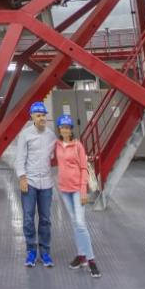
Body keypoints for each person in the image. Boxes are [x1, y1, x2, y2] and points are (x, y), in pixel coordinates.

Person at [55, 114, 101, 278]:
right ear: (59, 129)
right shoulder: (58, 145)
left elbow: (83, 168)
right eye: (62, 127)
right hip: (64, 189)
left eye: (68, 127)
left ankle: (91, 260)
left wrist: (83, 192)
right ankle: (81, 256)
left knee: (81, 224)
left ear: (71, 129)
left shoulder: (78, 146)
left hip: (76, 190)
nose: (65, 130)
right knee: (75, 223)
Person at [15, 100, 57, 268]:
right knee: (28, 218)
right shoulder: (25, 134)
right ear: (32, 116)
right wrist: (22, 178)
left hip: (46, 183)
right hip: (30, 182)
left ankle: (45, 252)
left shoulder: (51, 135)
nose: (42, 118)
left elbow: (55, 155)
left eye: (44, 116)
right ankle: (31, 251)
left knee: (46, 219)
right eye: (38, 116)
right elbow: (19, 158)